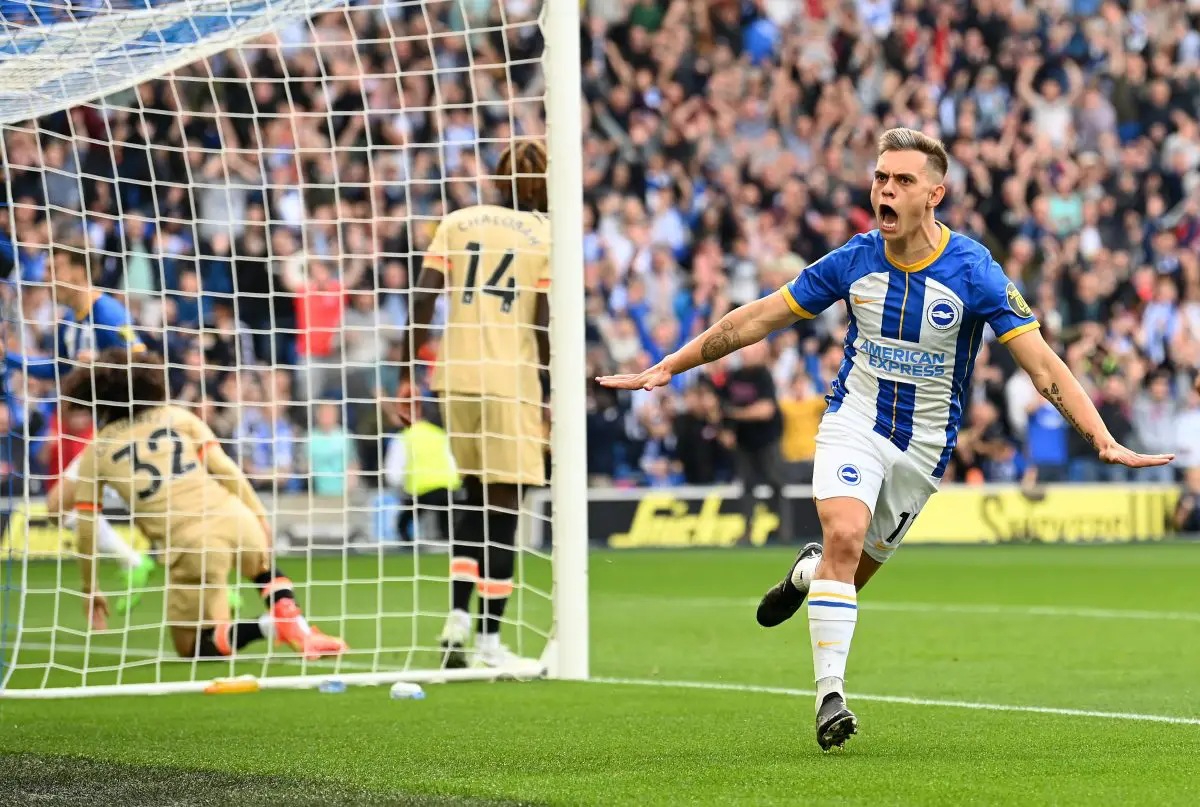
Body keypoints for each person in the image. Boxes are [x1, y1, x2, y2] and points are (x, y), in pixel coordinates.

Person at [597, 128, 1172, 751]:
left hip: (923, 449)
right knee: (842, 534)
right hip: (855, 420)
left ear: (935, 194)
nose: (886, 190)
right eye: (880, 178)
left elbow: (1042, 366)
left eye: (901, 180)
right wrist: (670, 365)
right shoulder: (854, 259)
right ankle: (829, 698)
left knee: (845, 571)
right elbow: (760, 316)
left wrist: (1102, 437)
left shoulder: (974, 270)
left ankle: (805, 576)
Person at [62, 348, 347, 660]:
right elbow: (227, 470)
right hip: (234, 515)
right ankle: (300, 629)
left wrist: (91, 587)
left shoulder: (97, 450)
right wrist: (259, 516)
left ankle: (270, 627)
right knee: (263, 569)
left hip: (190, 542)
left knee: (192, 646)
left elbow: (87, 527)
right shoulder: (179, 417)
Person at [397, 140, 550, 670]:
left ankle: (456, 620)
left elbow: (422, 297)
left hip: (453, 377)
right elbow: (542, 320)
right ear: (541, 184)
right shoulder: (546, 235)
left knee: (473, 497)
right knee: (505, 508)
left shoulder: (457, 222)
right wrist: (550, 393)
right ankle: (488, 640)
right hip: (511, 380)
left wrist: (404, 374)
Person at [4, 242, 154, 612]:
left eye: (55, 269)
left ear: (78, 271)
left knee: (159, 518)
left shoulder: (107, 312)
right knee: (59, 508)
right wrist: (9, 359)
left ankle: (141, 562)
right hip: (108, 434)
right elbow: (57, 369)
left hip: (135, 430)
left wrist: (104, 361)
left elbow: (143, 362)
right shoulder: (71, 324)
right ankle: (132, 560)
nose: (47, 278)